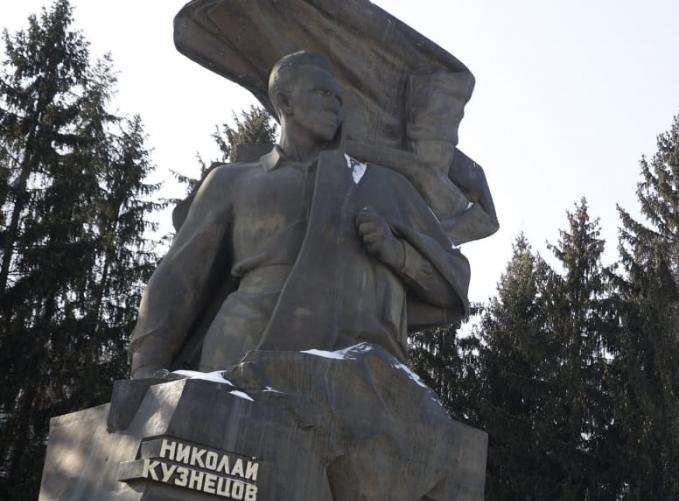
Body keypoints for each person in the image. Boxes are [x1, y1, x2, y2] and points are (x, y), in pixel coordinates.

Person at [129, 50, 472, 377]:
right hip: (242, 349)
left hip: (350, 363)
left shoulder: (383, 184)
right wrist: (147, 363)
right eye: (322, 93)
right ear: (285, 101)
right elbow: (179, 276)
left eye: (338, 98)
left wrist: (399, 255)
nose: (335, 105)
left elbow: (453, 285)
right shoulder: (232, 181)